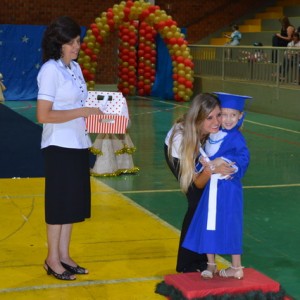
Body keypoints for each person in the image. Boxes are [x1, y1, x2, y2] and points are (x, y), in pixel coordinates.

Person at [36, 16, 102, 281]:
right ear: (58, 43)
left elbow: (82, 106)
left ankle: (64, 255)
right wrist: (82, 111)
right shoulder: (50, 70)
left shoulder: (74, 68)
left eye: (78, 41)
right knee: (58, 205)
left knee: (71, 204)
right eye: (71, 42)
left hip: (78, 143)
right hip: (59, 146)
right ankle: (52, 259)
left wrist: (103, 114)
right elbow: (43, 115)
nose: (77, 46)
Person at [182, 92, 251, 280]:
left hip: (228, 190)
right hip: (210, 191)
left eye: (233, 115)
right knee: (208, 223)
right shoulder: (213, 135)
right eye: (223, 114)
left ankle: (236, 267)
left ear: (240, 116)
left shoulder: (236, 138)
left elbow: (243, 158)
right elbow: (202, 161)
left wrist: (228, 164)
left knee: (230, 224)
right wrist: (203, 166)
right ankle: (211, 264)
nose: (226, 120)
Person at [164, 93, 235, 273]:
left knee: (208, 202)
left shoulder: (215, 128)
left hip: (200, 153)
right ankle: (187, 264)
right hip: (180, 155)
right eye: (209, 118)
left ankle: (203, 260)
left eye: (218, 115)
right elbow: (196, 183)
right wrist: (211, 170)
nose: (216, 122)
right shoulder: (181, 139)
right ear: (198, 118)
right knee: (196, 202)